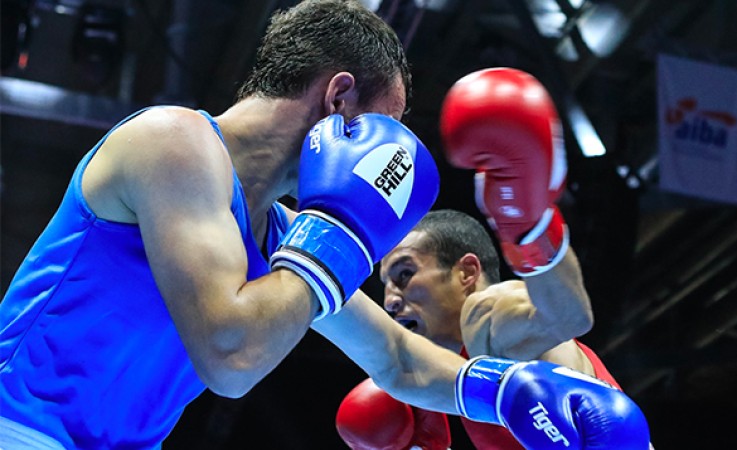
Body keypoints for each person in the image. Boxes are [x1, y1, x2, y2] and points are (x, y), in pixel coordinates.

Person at [0, 1, 464, 448]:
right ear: (338, 98)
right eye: (383, 128)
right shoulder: (170, 141)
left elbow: (397, 358)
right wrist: (341, 235)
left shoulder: (280, 233)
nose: (386, 156)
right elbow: (232, 356)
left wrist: (508, 390)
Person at [335, 68, 651, 449]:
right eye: (386, 285)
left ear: (467, 272)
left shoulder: (488, 317)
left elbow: (568, 316)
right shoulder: (455, 379)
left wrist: (528, 227)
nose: (390, 300)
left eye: (405, 273)